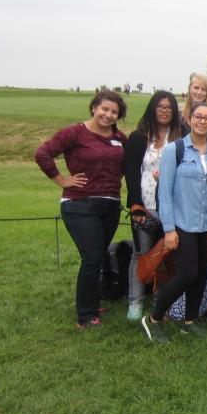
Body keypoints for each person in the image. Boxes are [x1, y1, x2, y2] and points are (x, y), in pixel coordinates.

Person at [35, 89, 128, 329]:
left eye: (114, 112)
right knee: (92, 257)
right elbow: (43, 153)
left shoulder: (119, 138)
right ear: (93, 108)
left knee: (98, 255)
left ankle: (93, 302)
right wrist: (62, 180)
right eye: (104, 109)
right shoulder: (75, 133)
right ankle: (86, 315)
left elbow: (130, 165)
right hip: (80, 205)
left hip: (110, 204)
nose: (108, 115)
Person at [140, 103, 207, 344]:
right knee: (187, 273)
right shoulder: (174, 150)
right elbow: (164, 193)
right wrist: (169, 229)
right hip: (182, 225)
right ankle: (154, 317)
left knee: (200, 274)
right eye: (198, 116)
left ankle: (189, 321)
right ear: (190, 119)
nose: (202, 121)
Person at [122, 90, 183, 321]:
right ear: (152, 109)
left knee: (168, 257)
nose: (165, 111)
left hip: (173, 206)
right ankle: (135, 300)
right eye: (160, 106)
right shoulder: (139, 137)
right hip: (145, 205)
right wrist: (135, 204)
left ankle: (161, 300)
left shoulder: (180, 135)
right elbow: (131, 172)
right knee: (142, 254)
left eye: (169, 107)